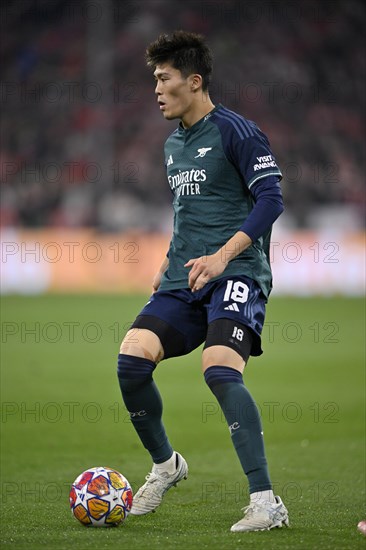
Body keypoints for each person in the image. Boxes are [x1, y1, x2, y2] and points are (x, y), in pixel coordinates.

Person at [117, 30, 289, 533]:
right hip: (183, 278)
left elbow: (271, 201)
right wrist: (169, 263)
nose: (156, 88)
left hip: (235, 271)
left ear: (193, 81)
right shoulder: (173, 143)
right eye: (154, 79)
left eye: (163, 78)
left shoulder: (238, 131)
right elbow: (187, 215)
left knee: (218, 368)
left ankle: (266, 502)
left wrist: (222, 256)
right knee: (131, 359)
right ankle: (166, 465)